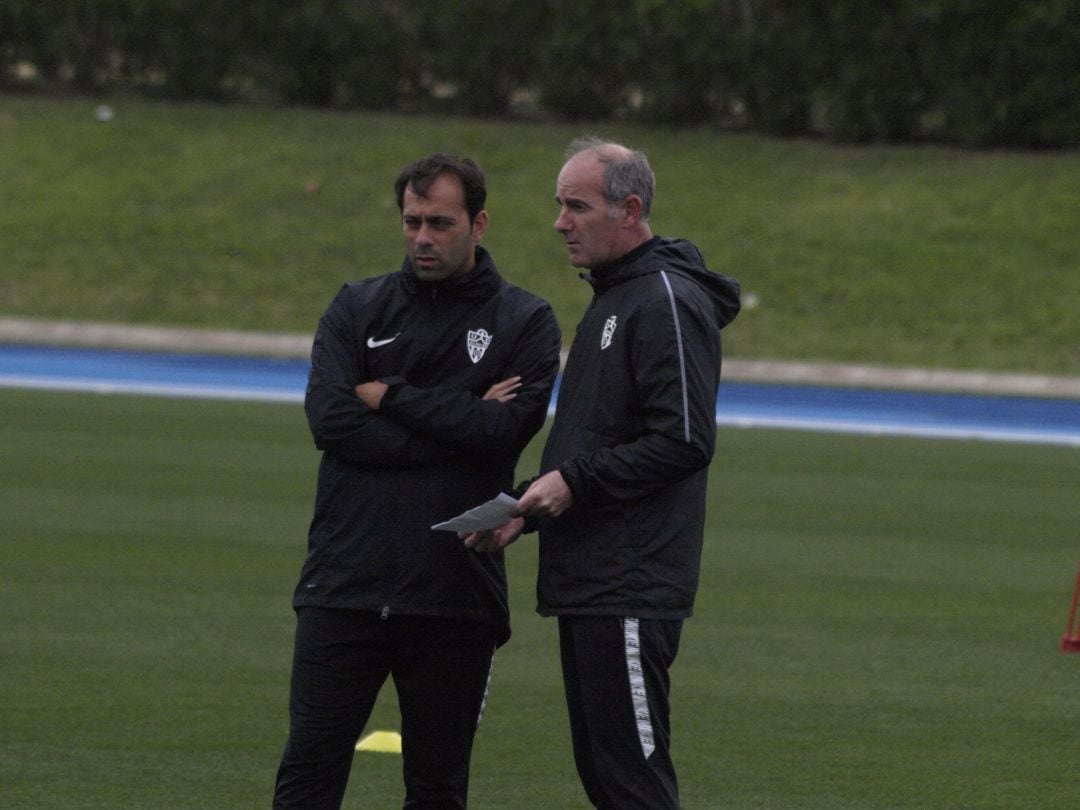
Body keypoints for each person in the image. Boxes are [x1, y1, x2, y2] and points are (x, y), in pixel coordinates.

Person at [274, 153, 562, 809]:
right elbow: (330, 420)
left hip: (453, 595)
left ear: (478, 222)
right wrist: (458, 417)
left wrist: (389, 395)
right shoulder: (357, 306)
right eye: (412, 221)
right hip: (342, 588)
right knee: (307, 776)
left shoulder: (525, 321)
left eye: (439, 222)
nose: (422, 238)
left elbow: (502, 433)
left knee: (436, 786)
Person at [464, 137, 740, 809]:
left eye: (577, 206)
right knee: (608, 781)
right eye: (560, 205)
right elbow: (594, 444)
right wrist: (526, 510)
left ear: (630, 209)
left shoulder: (664, 300)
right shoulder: (614, 298)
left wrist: (574, 484)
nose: (560, 222)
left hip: (629, 584)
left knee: (633, 786)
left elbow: (682, 438)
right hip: (590, 578)